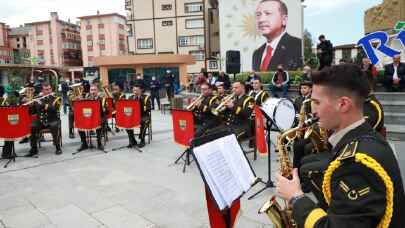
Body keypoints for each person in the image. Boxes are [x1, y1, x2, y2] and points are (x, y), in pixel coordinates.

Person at [276, 64, 405, 228]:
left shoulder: (356, 164)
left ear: (343, 104)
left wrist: (295, 198)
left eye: (316, 102)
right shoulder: (364, 138)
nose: (313, 110)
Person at [252, 0, 302, 71]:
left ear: (284, 19)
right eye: (258, 15)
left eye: (268, 13)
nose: (261, 20)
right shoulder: (257, 54)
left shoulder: (298, 46)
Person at [25, 83, 62, 157]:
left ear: (51, 89)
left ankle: (58, 147)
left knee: (54, 126)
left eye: (49, 89)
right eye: (46, 90)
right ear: (42, 90)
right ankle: (34, 149)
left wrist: (43, 104)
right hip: (40, 121)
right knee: (32, 127)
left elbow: (55, 109)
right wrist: (30, 105)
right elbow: (32, 112)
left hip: (52, 119)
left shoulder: (56, 98)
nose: (48, 91)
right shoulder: (37, 98)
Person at [77, 84, 108, 152]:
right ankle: (84, 143)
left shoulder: (102, 98)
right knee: (79, 125)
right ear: (89, 91)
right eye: (91, 90)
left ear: (97, 91)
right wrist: (80, 101)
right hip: (88, 117)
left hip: (99, 117)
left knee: (99, 124)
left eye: (94, 90)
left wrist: (103, 107)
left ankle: (99, 143)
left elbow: (106, 110)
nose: (93, 92)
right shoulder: (87, 98)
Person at [126, 84, 151, 148]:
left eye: (137, 90)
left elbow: (148, 109)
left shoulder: (146, 97)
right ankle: (132, 140)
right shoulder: (130, 98)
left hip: (144, 115)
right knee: (127, 124)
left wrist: (140, 103)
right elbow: (127, 108)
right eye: (134, 90)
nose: (135, 92)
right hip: (133, 116)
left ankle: (142, 140)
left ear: (141, 90)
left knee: (143, 122)